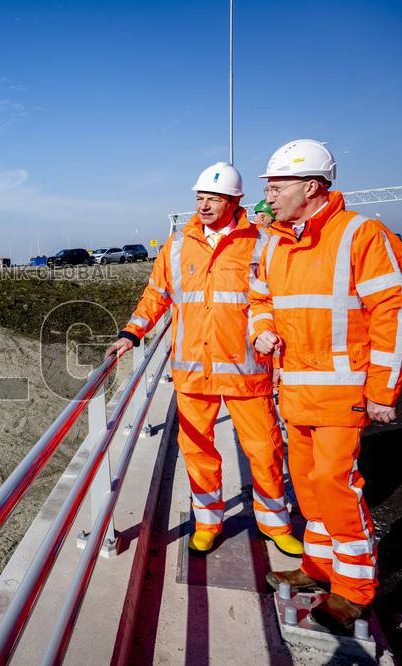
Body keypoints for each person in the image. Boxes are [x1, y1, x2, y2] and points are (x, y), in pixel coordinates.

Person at [250, 139, 402, 633]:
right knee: (309, 487)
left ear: (313, 187)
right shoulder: (275, 242)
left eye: (277, 186)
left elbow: (393, 312)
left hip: (342, 392)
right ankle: (319, 569)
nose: (269, 196)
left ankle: (355, 590)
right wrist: (262, 328)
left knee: (335, 487)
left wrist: (382, 392)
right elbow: (261, 297)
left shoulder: (361, 235)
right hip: (296, 392)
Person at [107, 162, 303, 556]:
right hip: (193, 371)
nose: (205, 205)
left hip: (247, 370)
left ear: (235, 201)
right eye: (200, 198)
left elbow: (276, 300)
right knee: (198, 452)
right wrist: (132, 332)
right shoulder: (178, 244)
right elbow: (156, 296)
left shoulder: (260, 241)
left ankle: (275, 524)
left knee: (264, 449)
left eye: (214, 198)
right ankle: (208, 522)